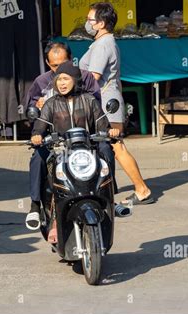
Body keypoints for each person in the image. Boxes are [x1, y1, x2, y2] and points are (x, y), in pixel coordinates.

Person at [28, 61, 120, 243]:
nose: (61, 83)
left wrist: (111, 131)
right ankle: (35, 205)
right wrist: (37, 135)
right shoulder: (51, 104)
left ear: (75, 80)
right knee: (37, 157)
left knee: (106, 149)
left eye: (65, 79)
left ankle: (110, 197)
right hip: (59, 150)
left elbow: (102, 125)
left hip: (87, 149)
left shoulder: (89, 100)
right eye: (58, 79)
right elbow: (39, 127)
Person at [79, 2, 154, 206]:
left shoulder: (104, 44)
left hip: (107, 103)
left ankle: (142, 189)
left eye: (90, 20)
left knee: (117, 146)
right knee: (108, 146)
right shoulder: (102, 42)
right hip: (105, 100)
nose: (87, 23)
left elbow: (93, 76)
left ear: (101, 23)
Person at [24, 41, 101, 110]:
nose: (60, 69)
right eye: (55, 65)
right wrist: (37, 105)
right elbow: (31, 107)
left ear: (71, 58)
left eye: (63, 64)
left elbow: (97, 101)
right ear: (47, 63)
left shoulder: (85, 77)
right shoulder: (41, 81)